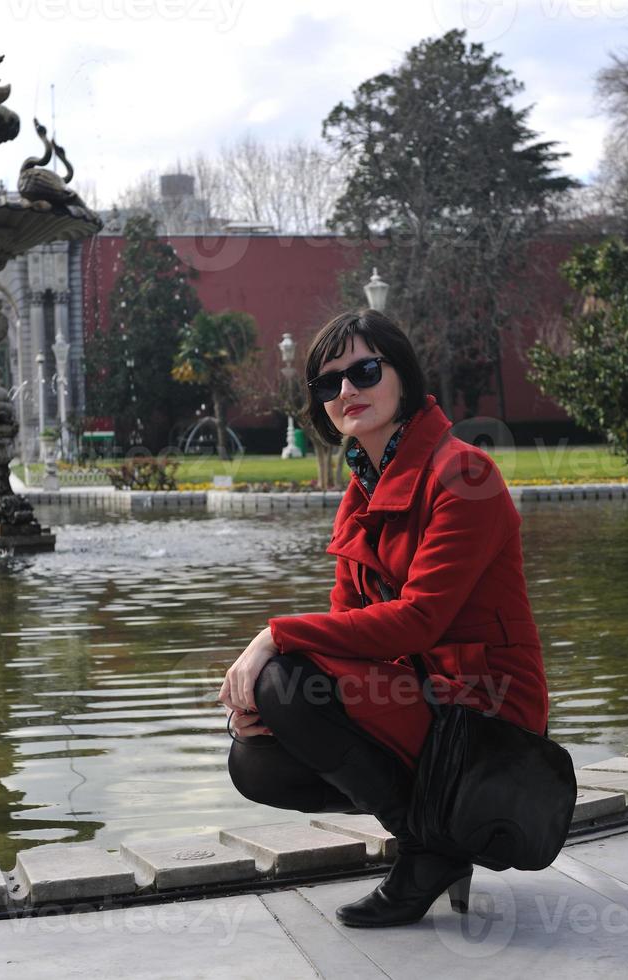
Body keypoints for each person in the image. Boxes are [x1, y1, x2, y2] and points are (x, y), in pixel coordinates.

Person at [218, 307, 550, 928]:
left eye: (365, 371)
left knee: (283, 677)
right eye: (328, 383)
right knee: (255, 758)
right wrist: (277, 708)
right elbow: (348, 629)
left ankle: (430, 852)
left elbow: (417, 621)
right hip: (417, 698)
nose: (346, 391)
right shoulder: (363, 490)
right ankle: (438, 844)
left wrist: (273, 636)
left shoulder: (465, 473)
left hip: (485, 711)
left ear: (404, 377)